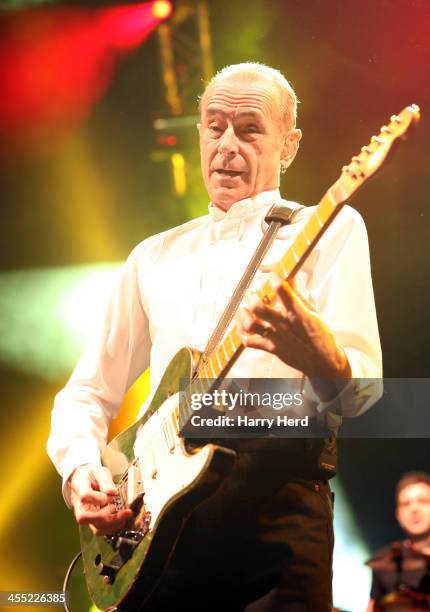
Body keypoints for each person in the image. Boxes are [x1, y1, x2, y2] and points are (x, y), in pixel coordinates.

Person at [47, 62, 382, 611]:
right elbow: (86, 393)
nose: (226, 144)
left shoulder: (331, 229)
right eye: (214, 125)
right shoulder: (153, 256)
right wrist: (82, 469)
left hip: (277, 515)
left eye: (249, 128)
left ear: (289, 146)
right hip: (157, 531)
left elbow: (364, 394)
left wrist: (324, 361)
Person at [367, 472, 430, 611]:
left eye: (423, 501)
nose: (414, 509)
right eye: (406, 504)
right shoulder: (383, 560)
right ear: (398, 515)